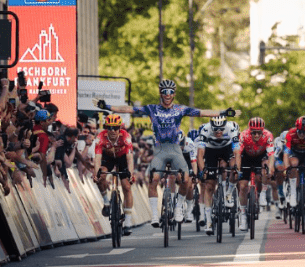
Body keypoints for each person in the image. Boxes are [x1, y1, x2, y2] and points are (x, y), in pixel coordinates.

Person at [98, 79, 236, 228]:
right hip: (160, 150)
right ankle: (155, 216)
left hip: (176, 150)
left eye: (170, 92)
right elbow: (129, 110)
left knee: (185, 179)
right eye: (164, 92)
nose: (167, 94)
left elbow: (202, 112)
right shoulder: (152, 109)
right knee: (154, 179)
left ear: (174, 94)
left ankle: (178, 208)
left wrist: (222, 112)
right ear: (160, 93)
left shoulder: (180, 109)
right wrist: (107, 106)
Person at [195, 115, 240, 235]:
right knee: (209, 185)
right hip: (210, 151)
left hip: (227, 149)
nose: (218, 132)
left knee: (234, 171)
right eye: (215, 130)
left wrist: (237, 168)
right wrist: (202, 170)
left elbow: (237, 152)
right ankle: (209, 221)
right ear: (211, 127)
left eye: (221, 130)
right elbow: (200, 153)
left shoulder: (231, 128)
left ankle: (228, 194)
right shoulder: (205, 129)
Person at [93, 114, 135, 235]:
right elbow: (97, 158)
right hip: (108, 158)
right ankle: (106, 201)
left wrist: (131, 174)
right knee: (100, 176)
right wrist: (96, 174)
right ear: (106, 127)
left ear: (120, 128)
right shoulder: (100, 137)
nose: (112, 131)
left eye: (115, 128)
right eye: (109, 127)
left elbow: (130, 158)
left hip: (122, 158)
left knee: (126, 186)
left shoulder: (126, 137)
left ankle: (128, 221)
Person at [235, 117, 274, 231]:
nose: (256, 135)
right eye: (254, 133)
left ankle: (262, 193)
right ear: (249, 131)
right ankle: (242, 214)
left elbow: (271, 155)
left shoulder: (268, 135)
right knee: (242, 186)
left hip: (261, 157)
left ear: (263, 131)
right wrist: (237, 168)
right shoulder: (243, 135)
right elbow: (238, 153)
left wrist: (270, 168)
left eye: (259, 133)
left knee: (264, 170)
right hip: (246, 157)